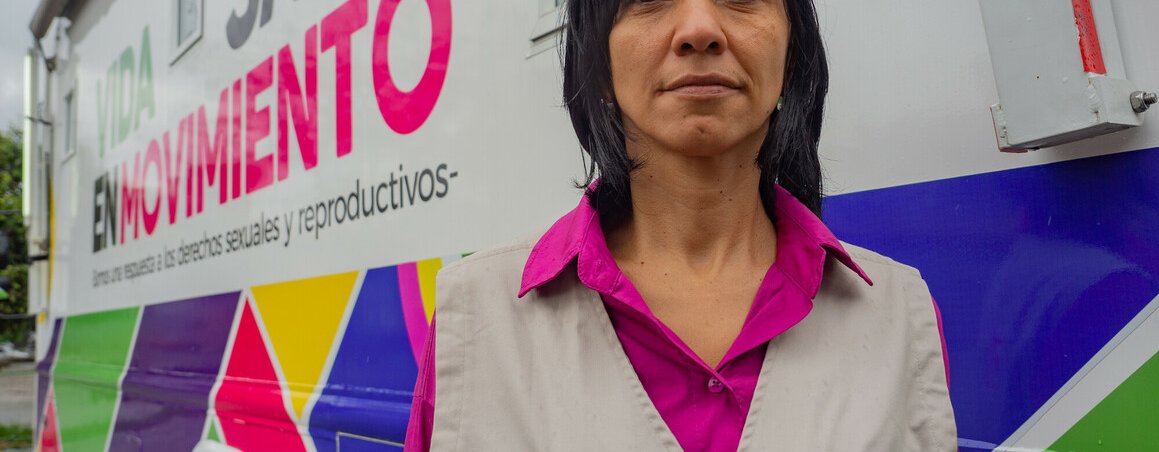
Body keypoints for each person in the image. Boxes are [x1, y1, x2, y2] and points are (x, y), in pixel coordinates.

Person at [404, 0, 956, 450]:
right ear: (597, 65)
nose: (698, 29)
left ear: (792, 57)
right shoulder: (474, 322)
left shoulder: (899, 315)